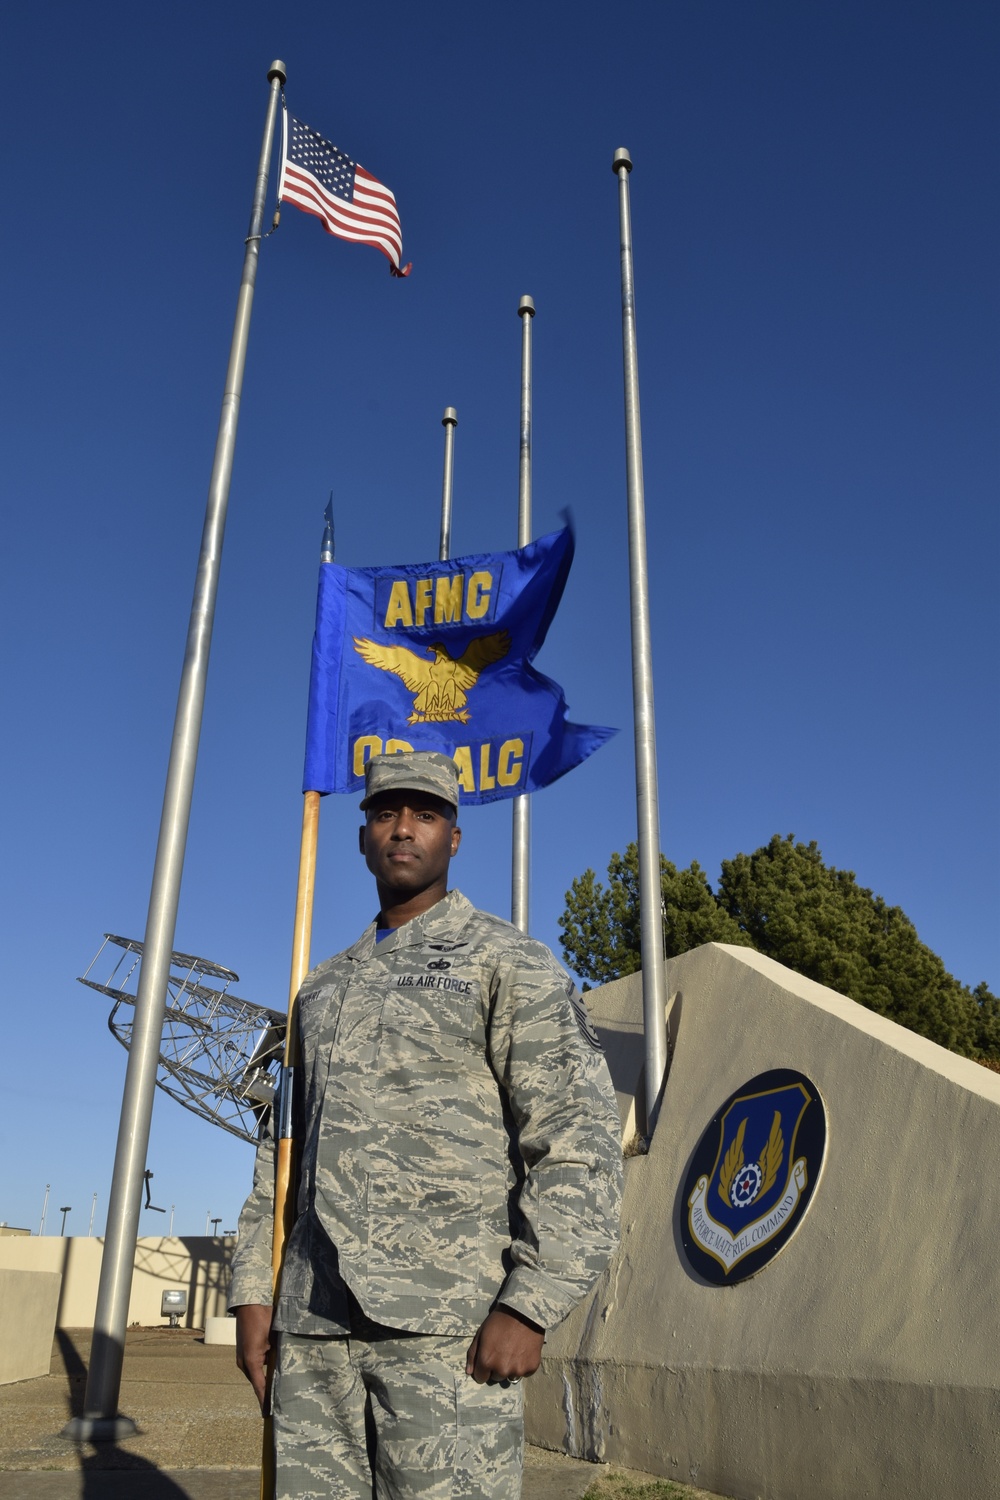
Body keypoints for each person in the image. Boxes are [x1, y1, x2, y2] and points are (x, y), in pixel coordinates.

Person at [230, 750, 623, 1500]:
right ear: (362, 835)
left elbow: (575, 1138)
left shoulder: (508, 963)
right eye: (385, 813)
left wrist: (529, 1304)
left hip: (449, 1331)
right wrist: (256, 1293)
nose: (402, 828)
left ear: (453, 837)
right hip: (312, 1330)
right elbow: (276, 1152)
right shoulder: (321, 987)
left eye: (425, 814)